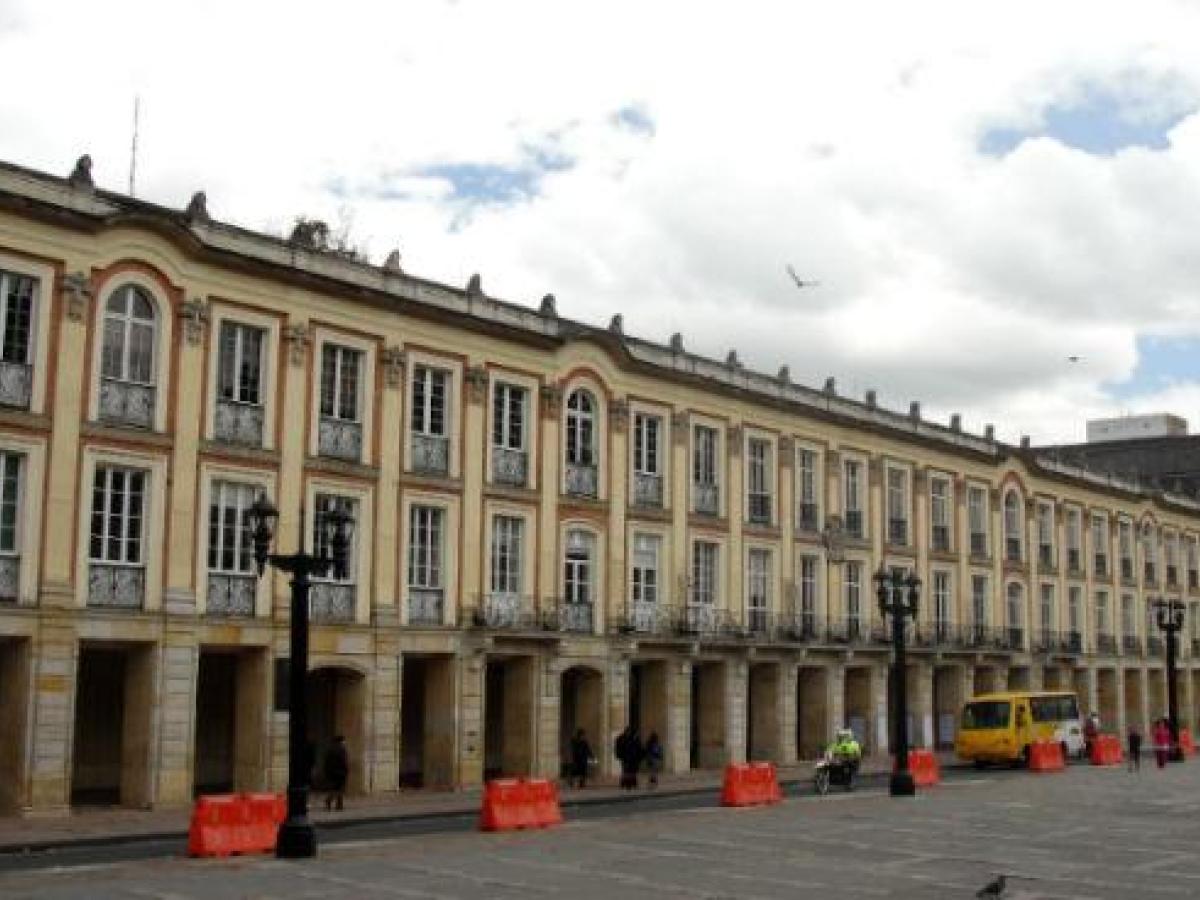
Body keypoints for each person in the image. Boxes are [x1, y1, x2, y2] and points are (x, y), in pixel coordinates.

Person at [323, 735, 349, 811]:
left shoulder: (330, 749)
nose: (345, 742)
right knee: (340, 788)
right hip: (341, 772)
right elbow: (344, 761)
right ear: (341, 741)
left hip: (332, 772)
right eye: (344, 741)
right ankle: (336, 804)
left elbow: (326, 762)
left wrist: (327, 772)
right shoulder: (342, 749)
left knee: (334, 788)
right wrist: (346, 770)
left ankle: (335, 803)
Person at [614, 725, 643, 790]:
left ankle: (630, 783)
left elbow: (639, 749)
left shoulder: (632, 739)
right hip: (627, 757)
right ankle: (626, 783)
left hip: (632, 758)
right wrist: (619, 755)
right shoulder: (625, 739)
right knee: (627, 771)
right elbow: (621, 748)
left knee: (630, 771)